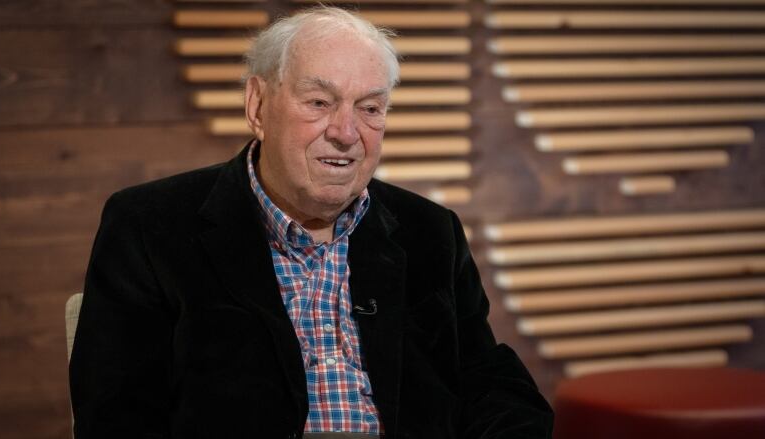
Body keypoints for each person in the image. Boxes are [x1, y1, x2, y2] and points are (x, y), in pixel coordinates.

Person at [69, 7, 552, 439]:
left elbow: (486, 380)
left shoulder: (431, 231)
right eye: (319, 102)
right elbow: (116, 415)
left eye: (370, 108)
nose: (346, 133)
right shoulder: (149, 224)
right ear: (258, 106)